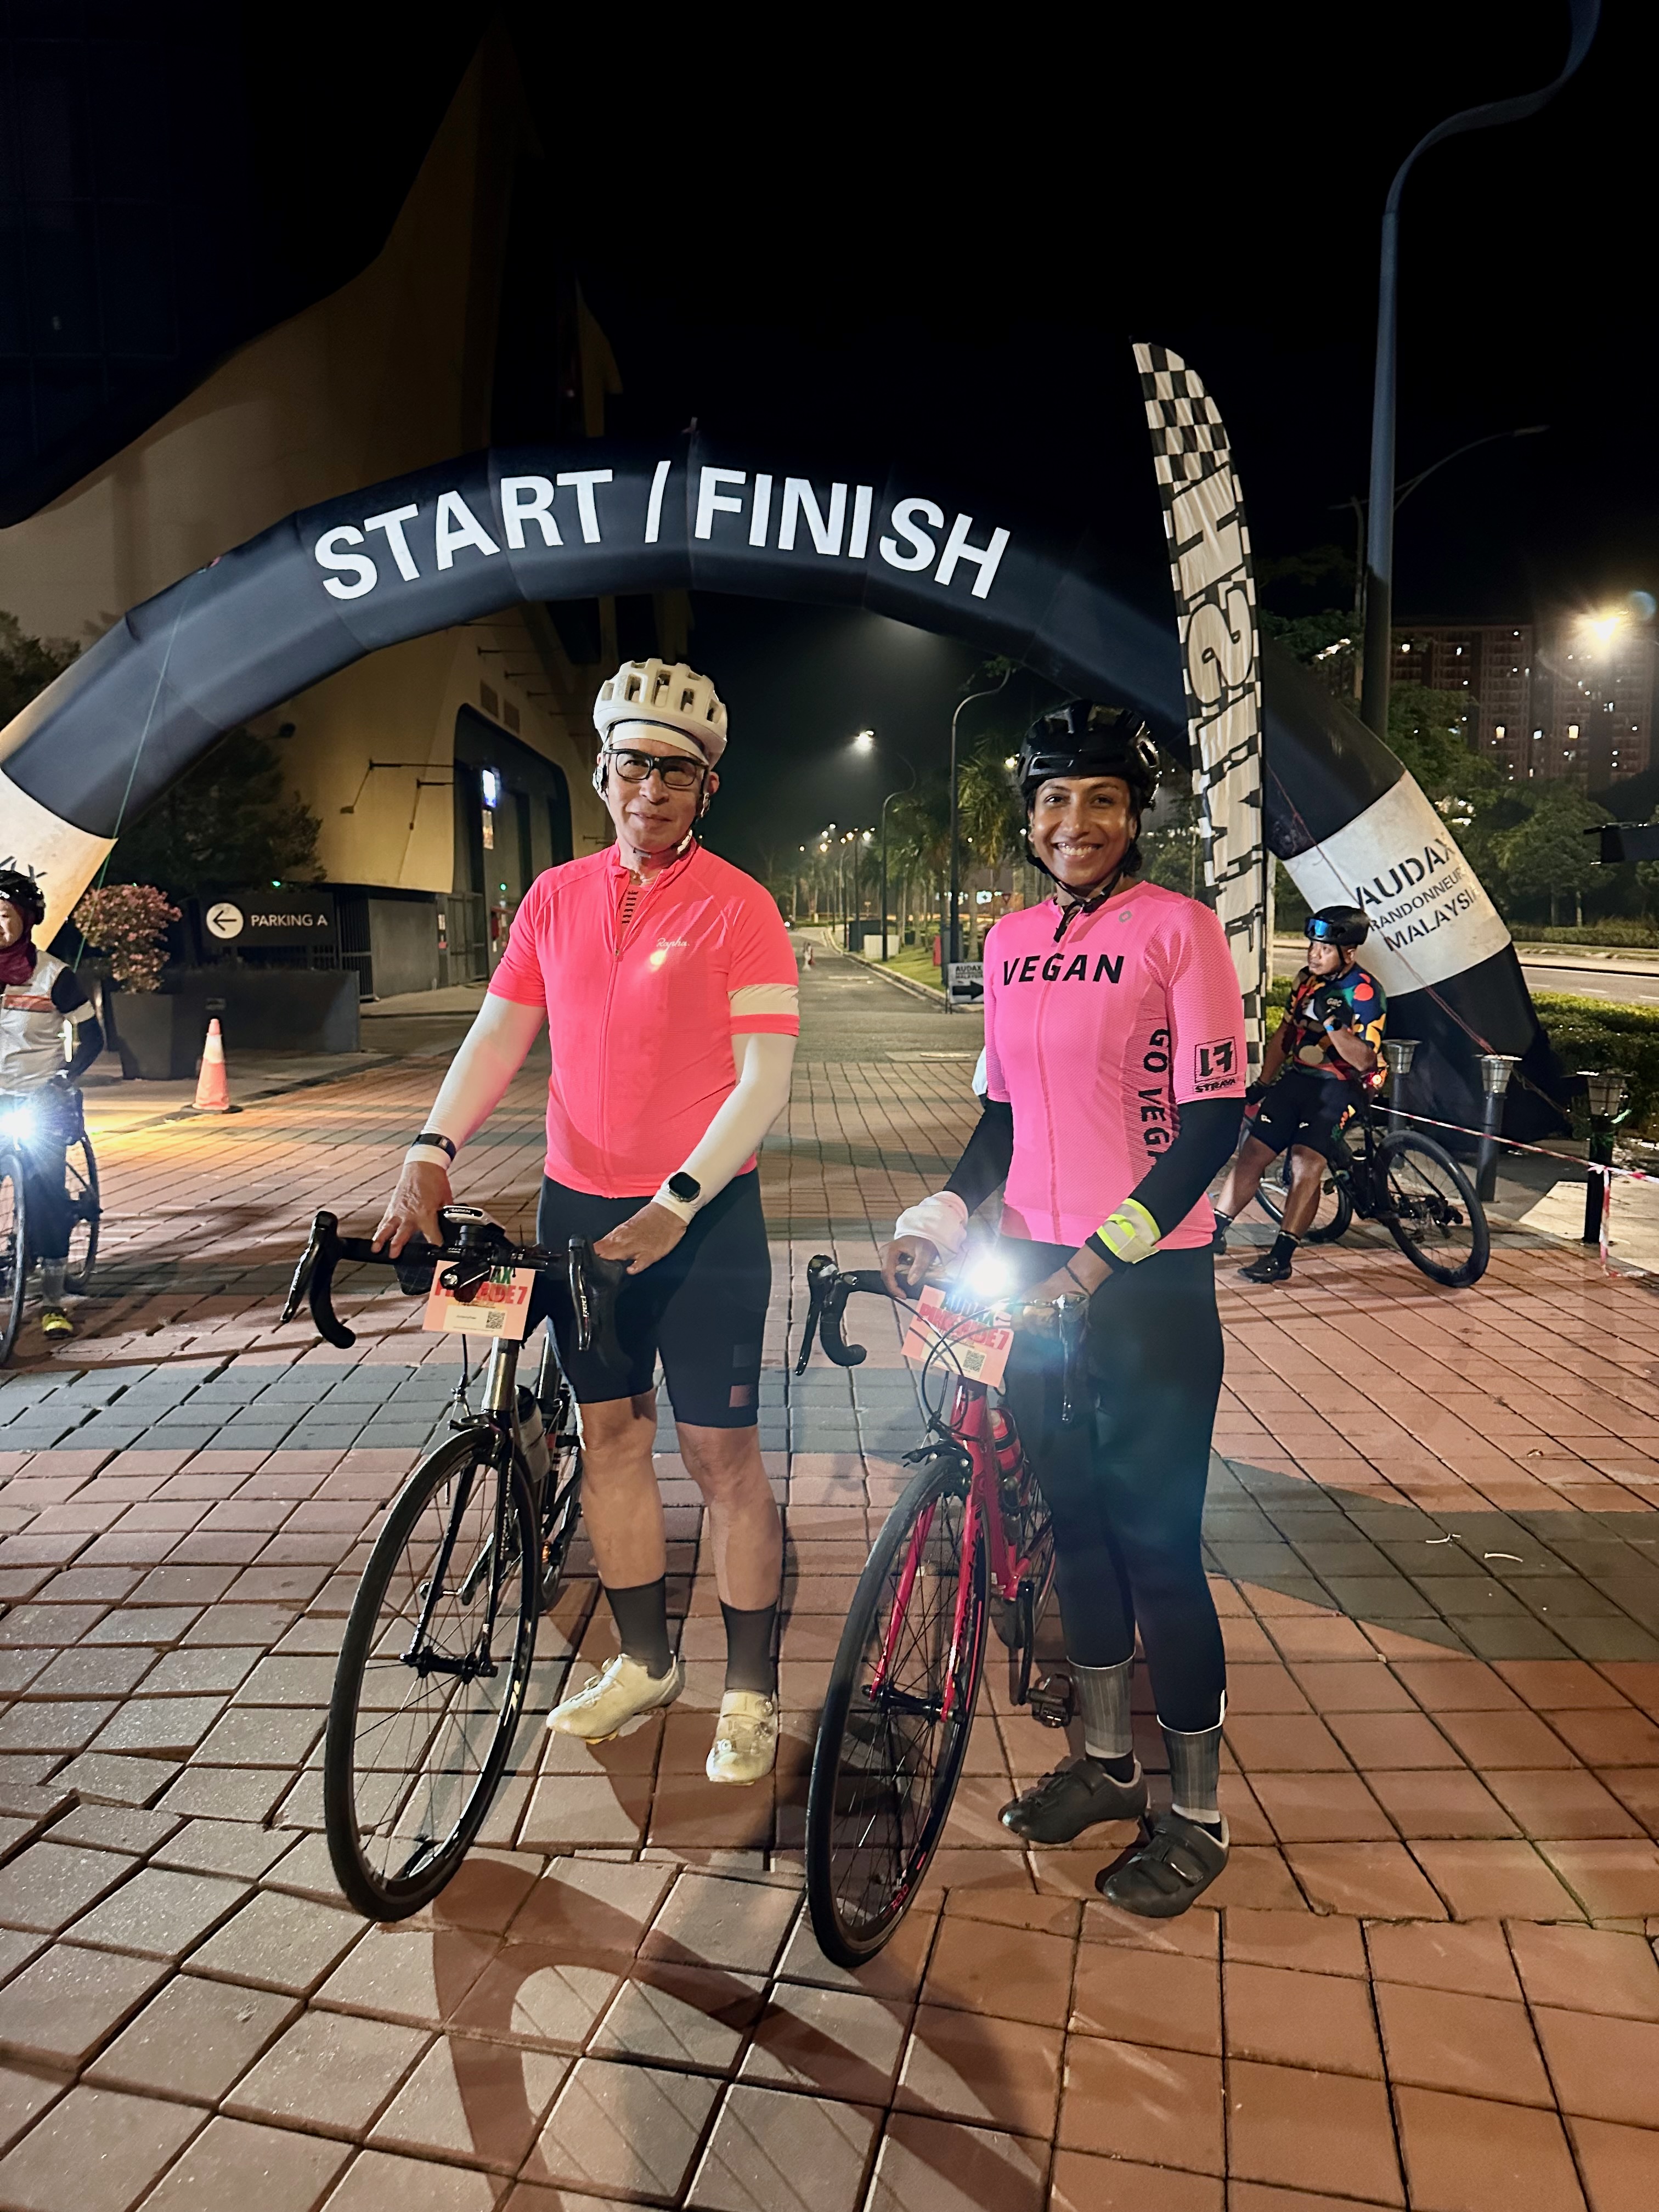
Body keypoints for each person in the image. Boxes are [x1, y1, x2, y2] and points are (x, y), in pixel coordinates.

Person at [372, 660, 798, 1786]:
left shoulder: (741, 907)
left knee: (719, 1456)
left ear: (706, 789)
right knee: (608, 1438)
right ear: (603, 771)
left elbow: (762, 1080)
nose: (650, 788)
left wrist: (675, 1205)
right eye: (633, 764)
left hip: (702, 1218)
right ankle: (646, 1663)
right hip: (579, 1207)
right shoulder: (554, 897)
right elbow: (497, 1035)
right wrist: (429, 1151)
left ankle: (749, 1688)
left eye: (676, 771)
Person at [882, 703, 1246, 1919]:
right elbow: (1002, 1120)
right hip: (1032, 1275)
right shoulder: (1009, 942)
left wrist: (1095, 1265)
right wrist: (941, 1215)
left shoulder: (1179, 931)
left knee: (1157, 1548)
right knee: (1074, 1528)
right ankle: (1103, 1759)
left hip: (1145, 1281)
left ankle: (1196, 1813)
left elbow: (1211, 1124)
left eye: (1100, 799)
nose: (1073, 821)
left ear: (1135, 815)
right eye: (1052, 800)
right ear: (1028, 817)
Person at [1211, 906, 1385, 1285]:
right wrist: (1263, 1082)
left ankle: (1282, 1256)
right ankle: (1215, 1232)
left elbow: (1365, 1059)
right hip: (1298, 1078)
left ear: (1349, 953)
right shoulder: (1305, 980)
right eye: (1312, 946)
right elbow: (1286, 1035)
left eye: (1324, 949)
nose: (1314, 954)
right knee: (1253, 1152)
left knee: (1306, 1163)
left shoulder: (1365, 992)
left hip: (1340, 1086)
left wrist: (1333, 1024)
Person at [0, 869, 105, 1343]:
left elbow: (92, 1037)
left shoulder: (54, 976)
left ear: (27, 920)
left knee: (46, 1197)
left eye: (5, 915)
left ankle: (53, 1299)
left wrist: (64, 1078)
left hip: (39, 1097)